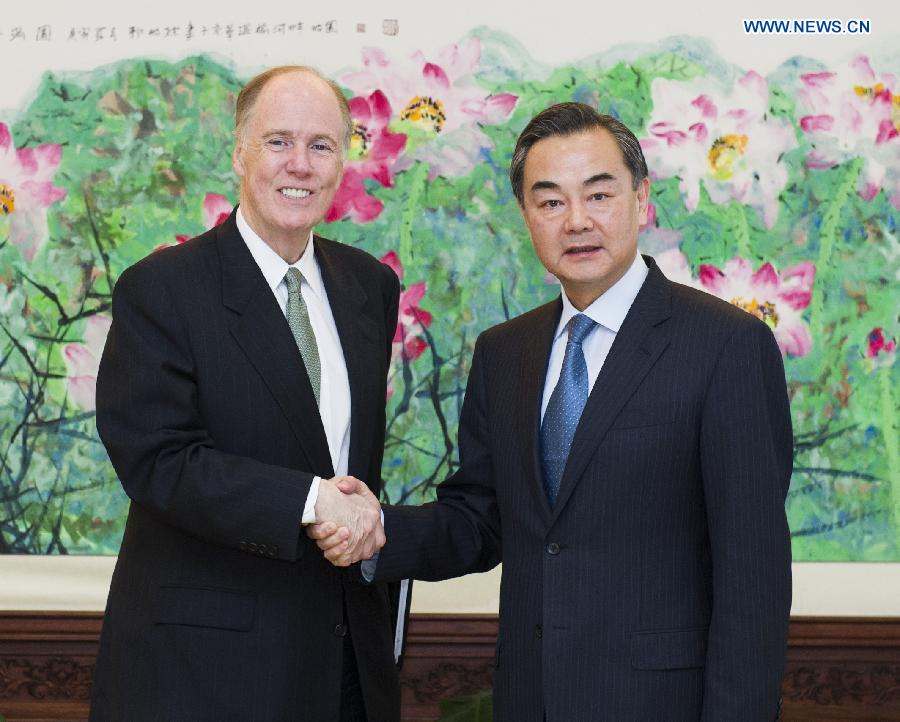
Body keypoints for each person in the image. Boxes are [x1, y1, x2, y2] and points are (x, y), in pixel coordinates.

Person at [311, 102, 793, 721]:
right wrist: (375, 533)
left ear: (641, 200)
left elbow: (752, 574)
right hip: (531, 698)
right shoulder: (505, 353)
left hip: (664, 703)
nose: (577, 222)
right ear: (527, 216)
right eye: (551, 201)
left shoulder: (725, 346)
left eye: (599, 194)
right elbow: (481, 519)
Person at [90, 66, 400, 721]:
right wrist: (312, 501)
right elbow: (159, 462)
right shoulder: (163, 290)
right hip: (205, 674)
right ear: (238, 153)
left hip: (344, 665)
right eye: (278, 141)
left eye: (321, 145)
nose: (301, 164)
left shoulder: (369, 287)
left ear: (342, 161)